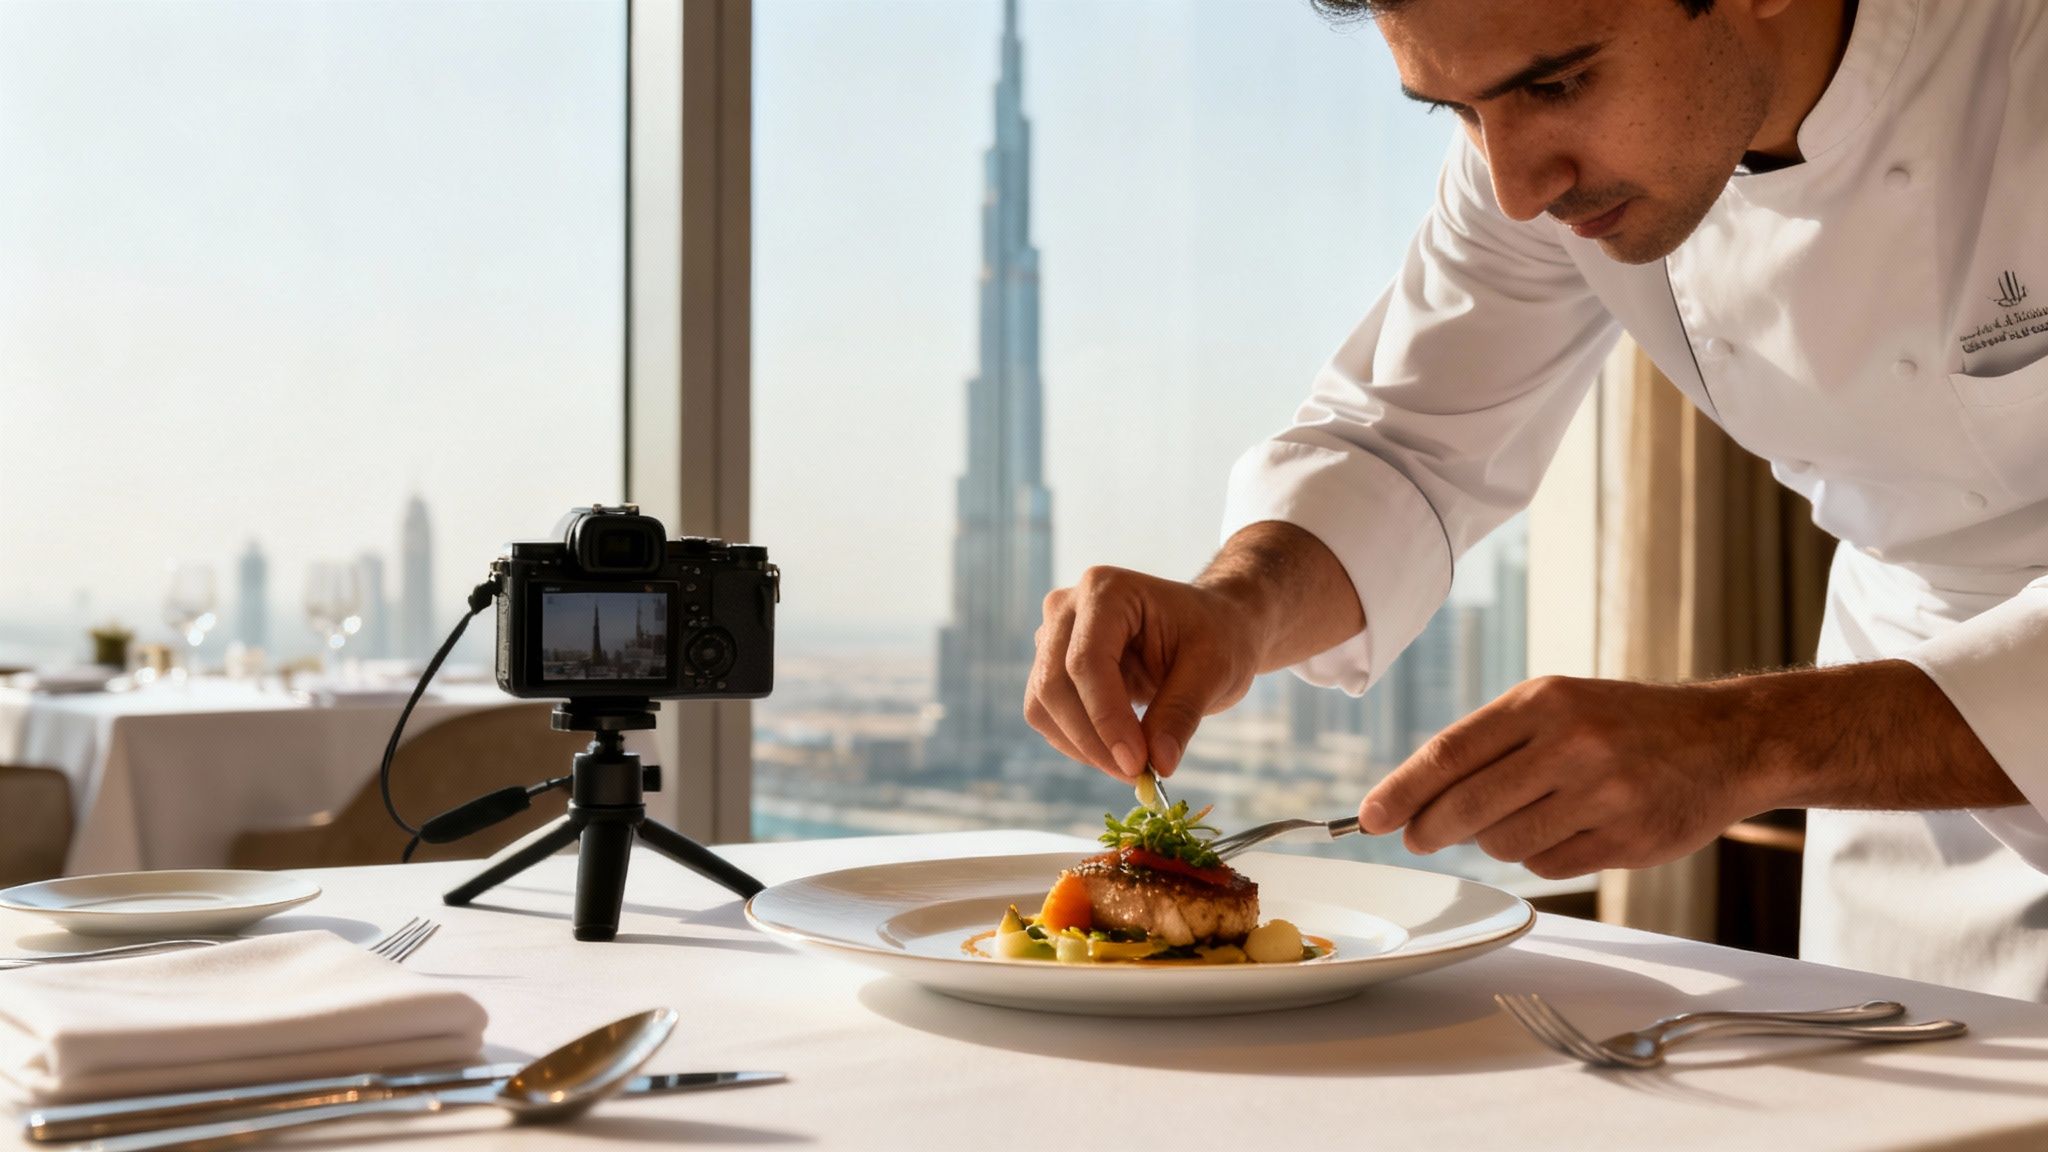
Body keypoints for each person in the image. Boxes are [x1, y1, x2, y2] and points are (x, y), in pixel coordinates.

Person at [1023, 0, 2048, 999]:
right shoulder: (1531, 165)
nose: (1514, 189)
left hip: (1882, 725)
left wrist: (1747, 740)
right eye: (1457, 112)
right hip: (1904, 815)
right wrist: (1236, 606)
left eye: (1558, 84)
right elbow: (1407, 441)